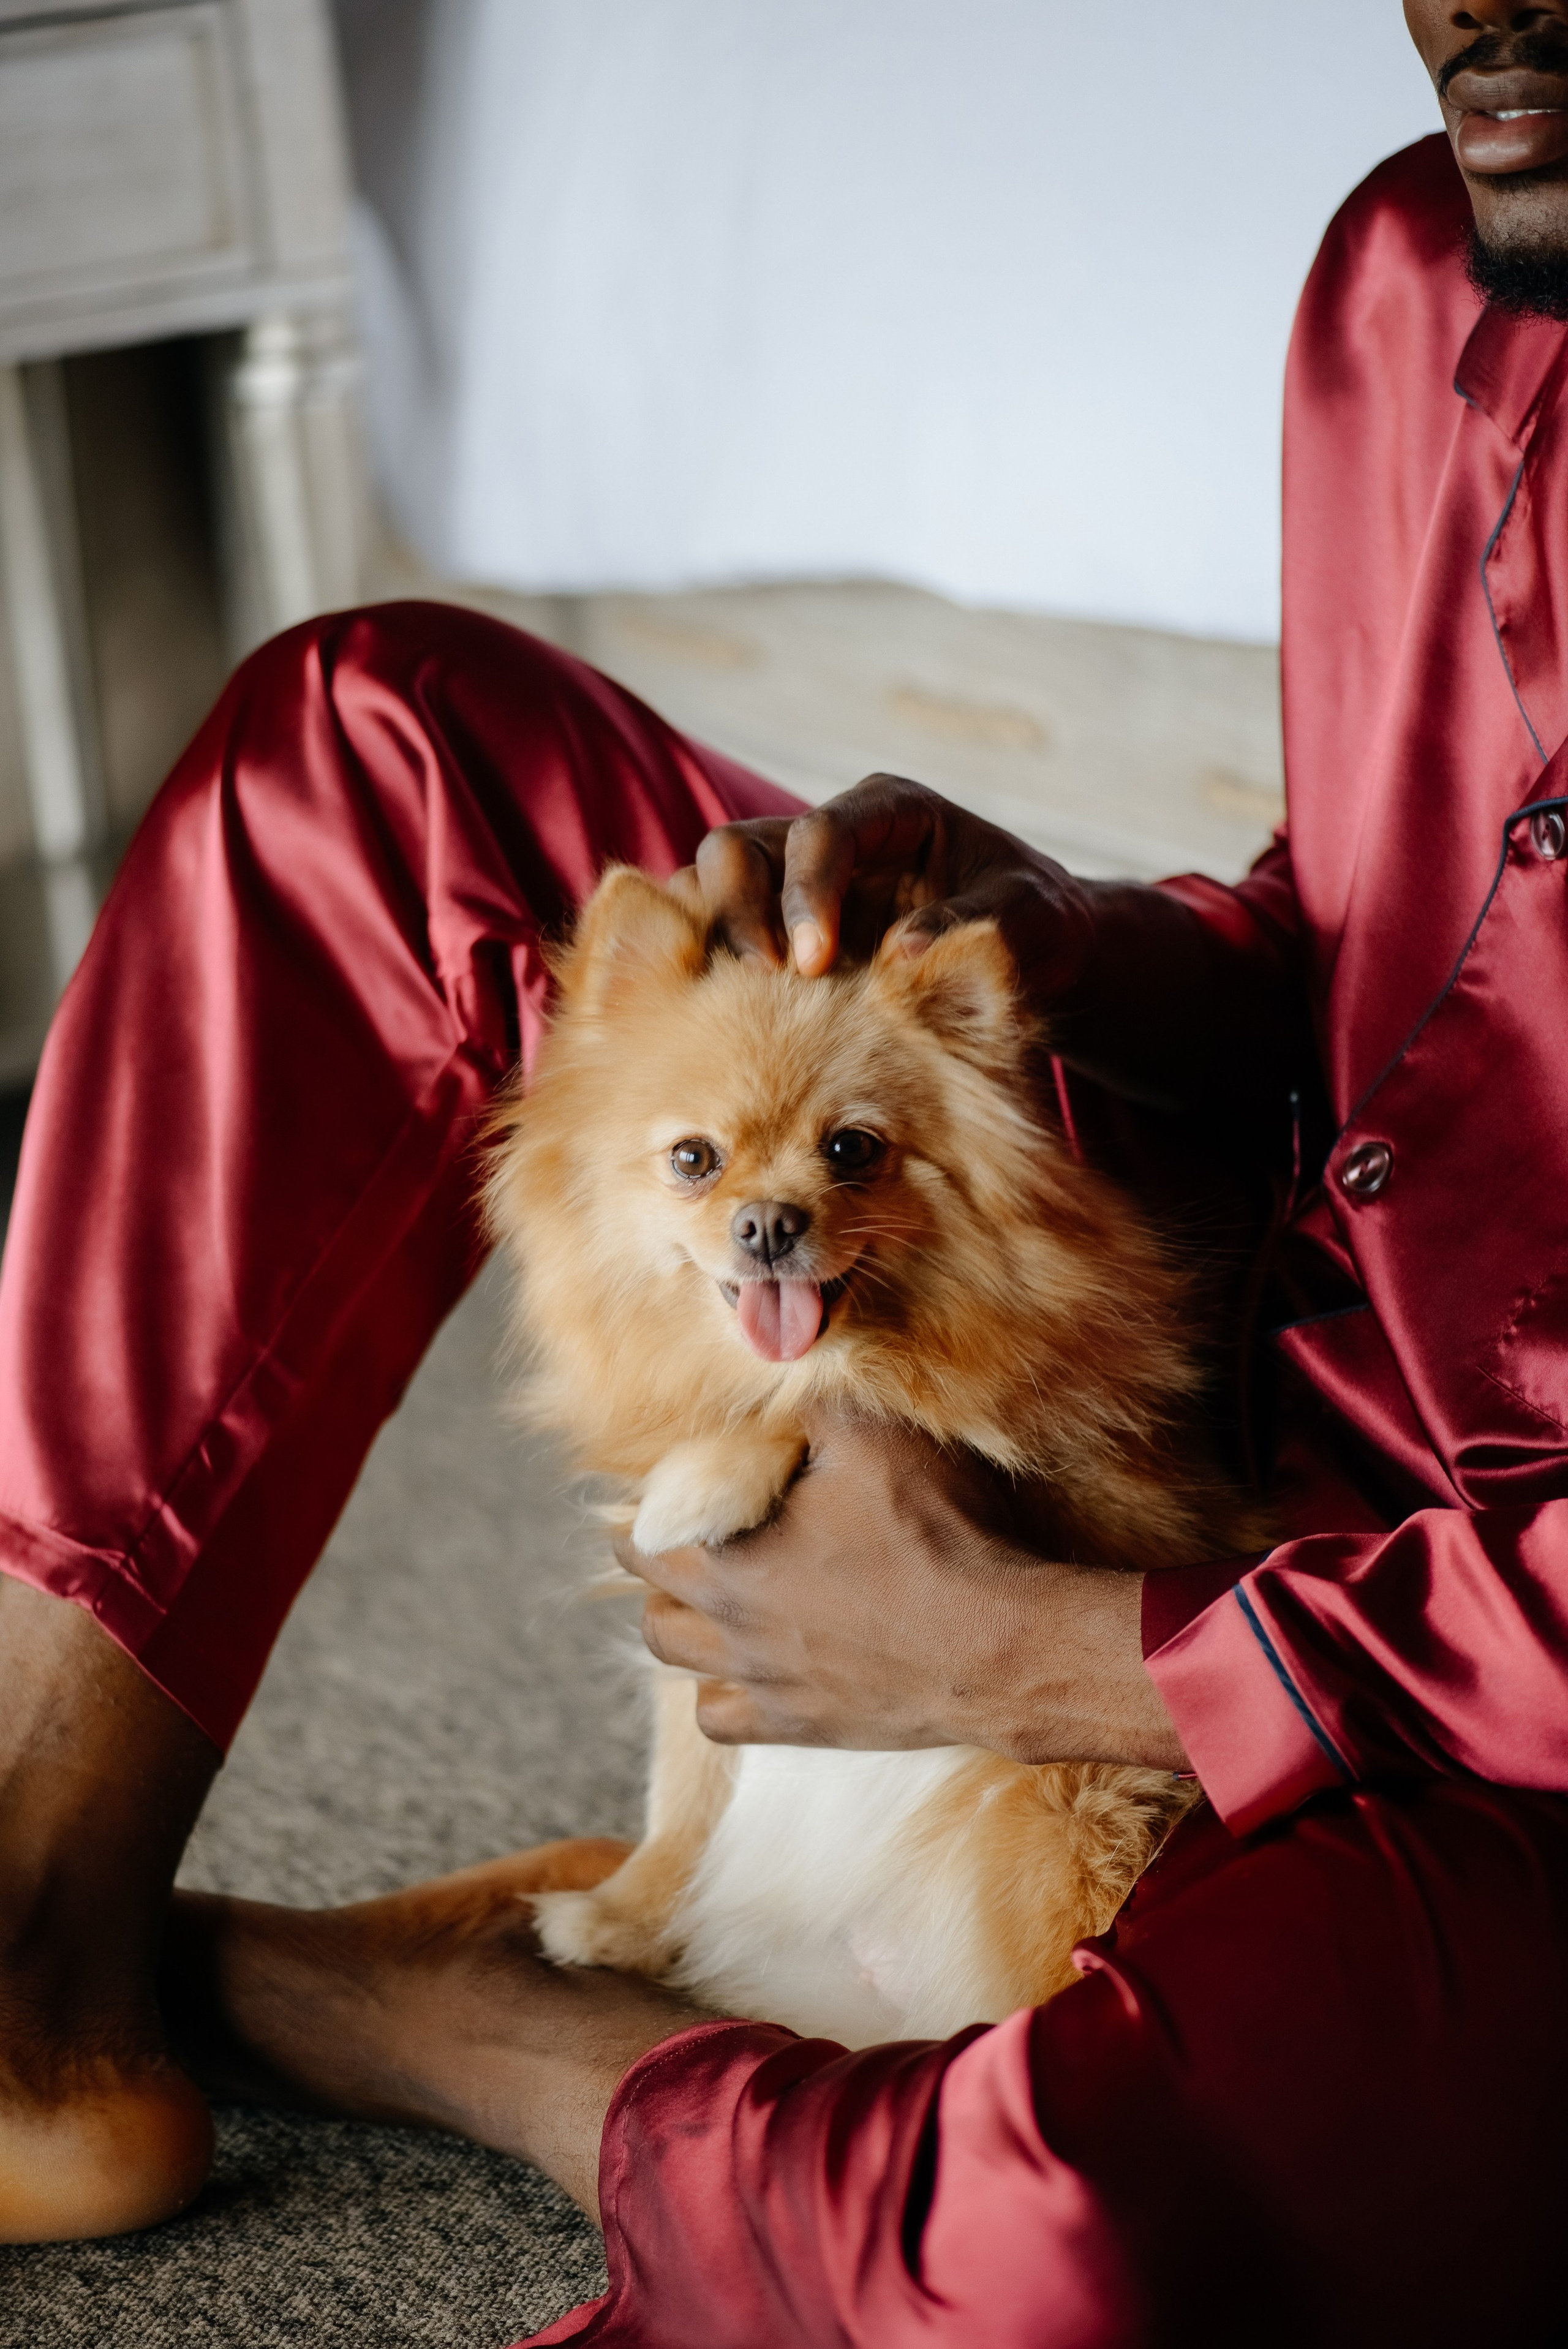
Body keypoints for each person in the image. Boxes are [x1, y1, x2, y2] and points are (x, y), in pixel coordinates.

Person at [6, 0, 1568, 2337]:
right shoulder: (1423, 264)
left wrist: (1083, 1656)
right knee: (374, 767)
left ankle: (408, 2008)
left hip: (1496, 1698)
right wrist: (1028, 923)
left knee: (1058, 2241)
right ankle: (32, 1968)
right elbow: (1366, 959)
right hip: (1264, 1287)